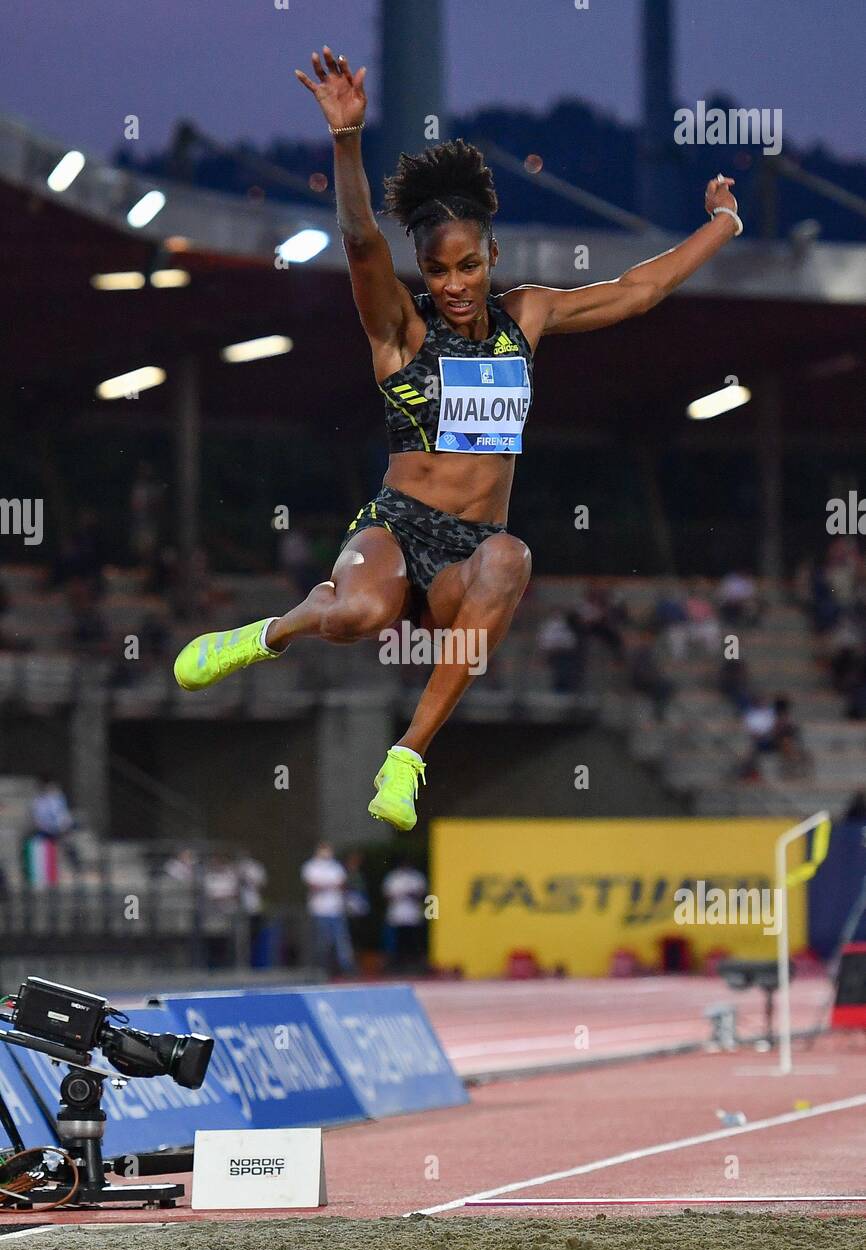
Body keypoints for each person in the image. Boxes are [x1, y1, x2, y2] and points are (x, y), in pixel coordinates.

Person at [172, 45, 744, 831]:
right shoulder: (401, 333)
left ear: (491, 258)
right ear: (424, 272)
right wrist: (347, 140)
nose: (456, 285)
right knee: (357, 618)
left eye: (469, 267)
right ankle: (268, 633)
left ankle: (407, 758)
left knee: (513, 556)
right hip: (396, 529)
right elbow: (362, 242)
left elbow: (640, 291)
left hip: (470, 551)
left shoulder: (529, 317)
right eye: (439, 272)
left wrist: (724, 223)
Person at [301, 842, 356, 976]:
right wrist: (330, 886)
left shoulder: (335, 866)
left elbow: (341, 884)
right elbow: (313, 886)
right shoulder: (311, 866)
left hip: (335, 909)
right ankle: (322, 969)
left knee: (341, 941)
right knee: (322, 941)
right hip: (319, 910)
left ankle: (346, 969)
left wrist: (324, 886)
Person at [381, 859, 428, 973]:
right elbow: (386, 894)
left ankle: (414, 965)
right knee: (397, 943)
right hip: (397, 916)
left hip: (413, 916)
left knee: (413, 942)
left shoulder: (416, 877)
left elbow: (422, 893)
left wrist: (410, 894)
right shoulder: (393, 877)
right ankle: (396, 966)